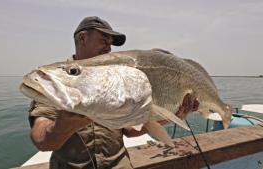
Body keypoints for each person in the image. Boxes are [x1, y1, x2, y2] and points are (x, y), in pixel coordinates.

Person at [28, 16, 199, 169]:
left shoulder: (114, 77)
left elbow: (130, 131)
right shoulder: (57, 81)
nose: (109, 49)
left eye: (110, 44)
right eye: (104, 41)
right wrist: (62, 126)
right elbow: (41, 140)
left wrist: (169, 117)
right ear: (82, 38)